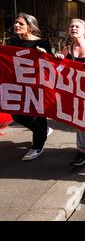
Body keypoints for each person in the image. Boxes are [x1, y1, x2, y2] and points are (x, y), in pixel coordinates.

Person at [54, 18, 85, 166]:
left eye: (77, 26)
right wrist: (58, 58)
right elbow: (58, 67)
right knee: (81, 121)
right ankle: (83, 151)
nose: (73, 28)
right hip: (76, 93)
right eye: (71, 26)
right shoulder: (68, 49)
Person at [7, 13, 53, 161]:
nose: (16, 25)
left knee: (36, 113)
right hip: (18, 83)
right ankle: (42, 130)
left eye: (20, 23)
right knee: (16, 113)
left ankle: (37, 146)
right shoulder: (12, 41)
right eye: (15, 22)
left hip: (36, 84)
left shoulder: (42, 42)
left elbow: (51, 64)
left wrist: (45, 55)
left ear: (30, 27)